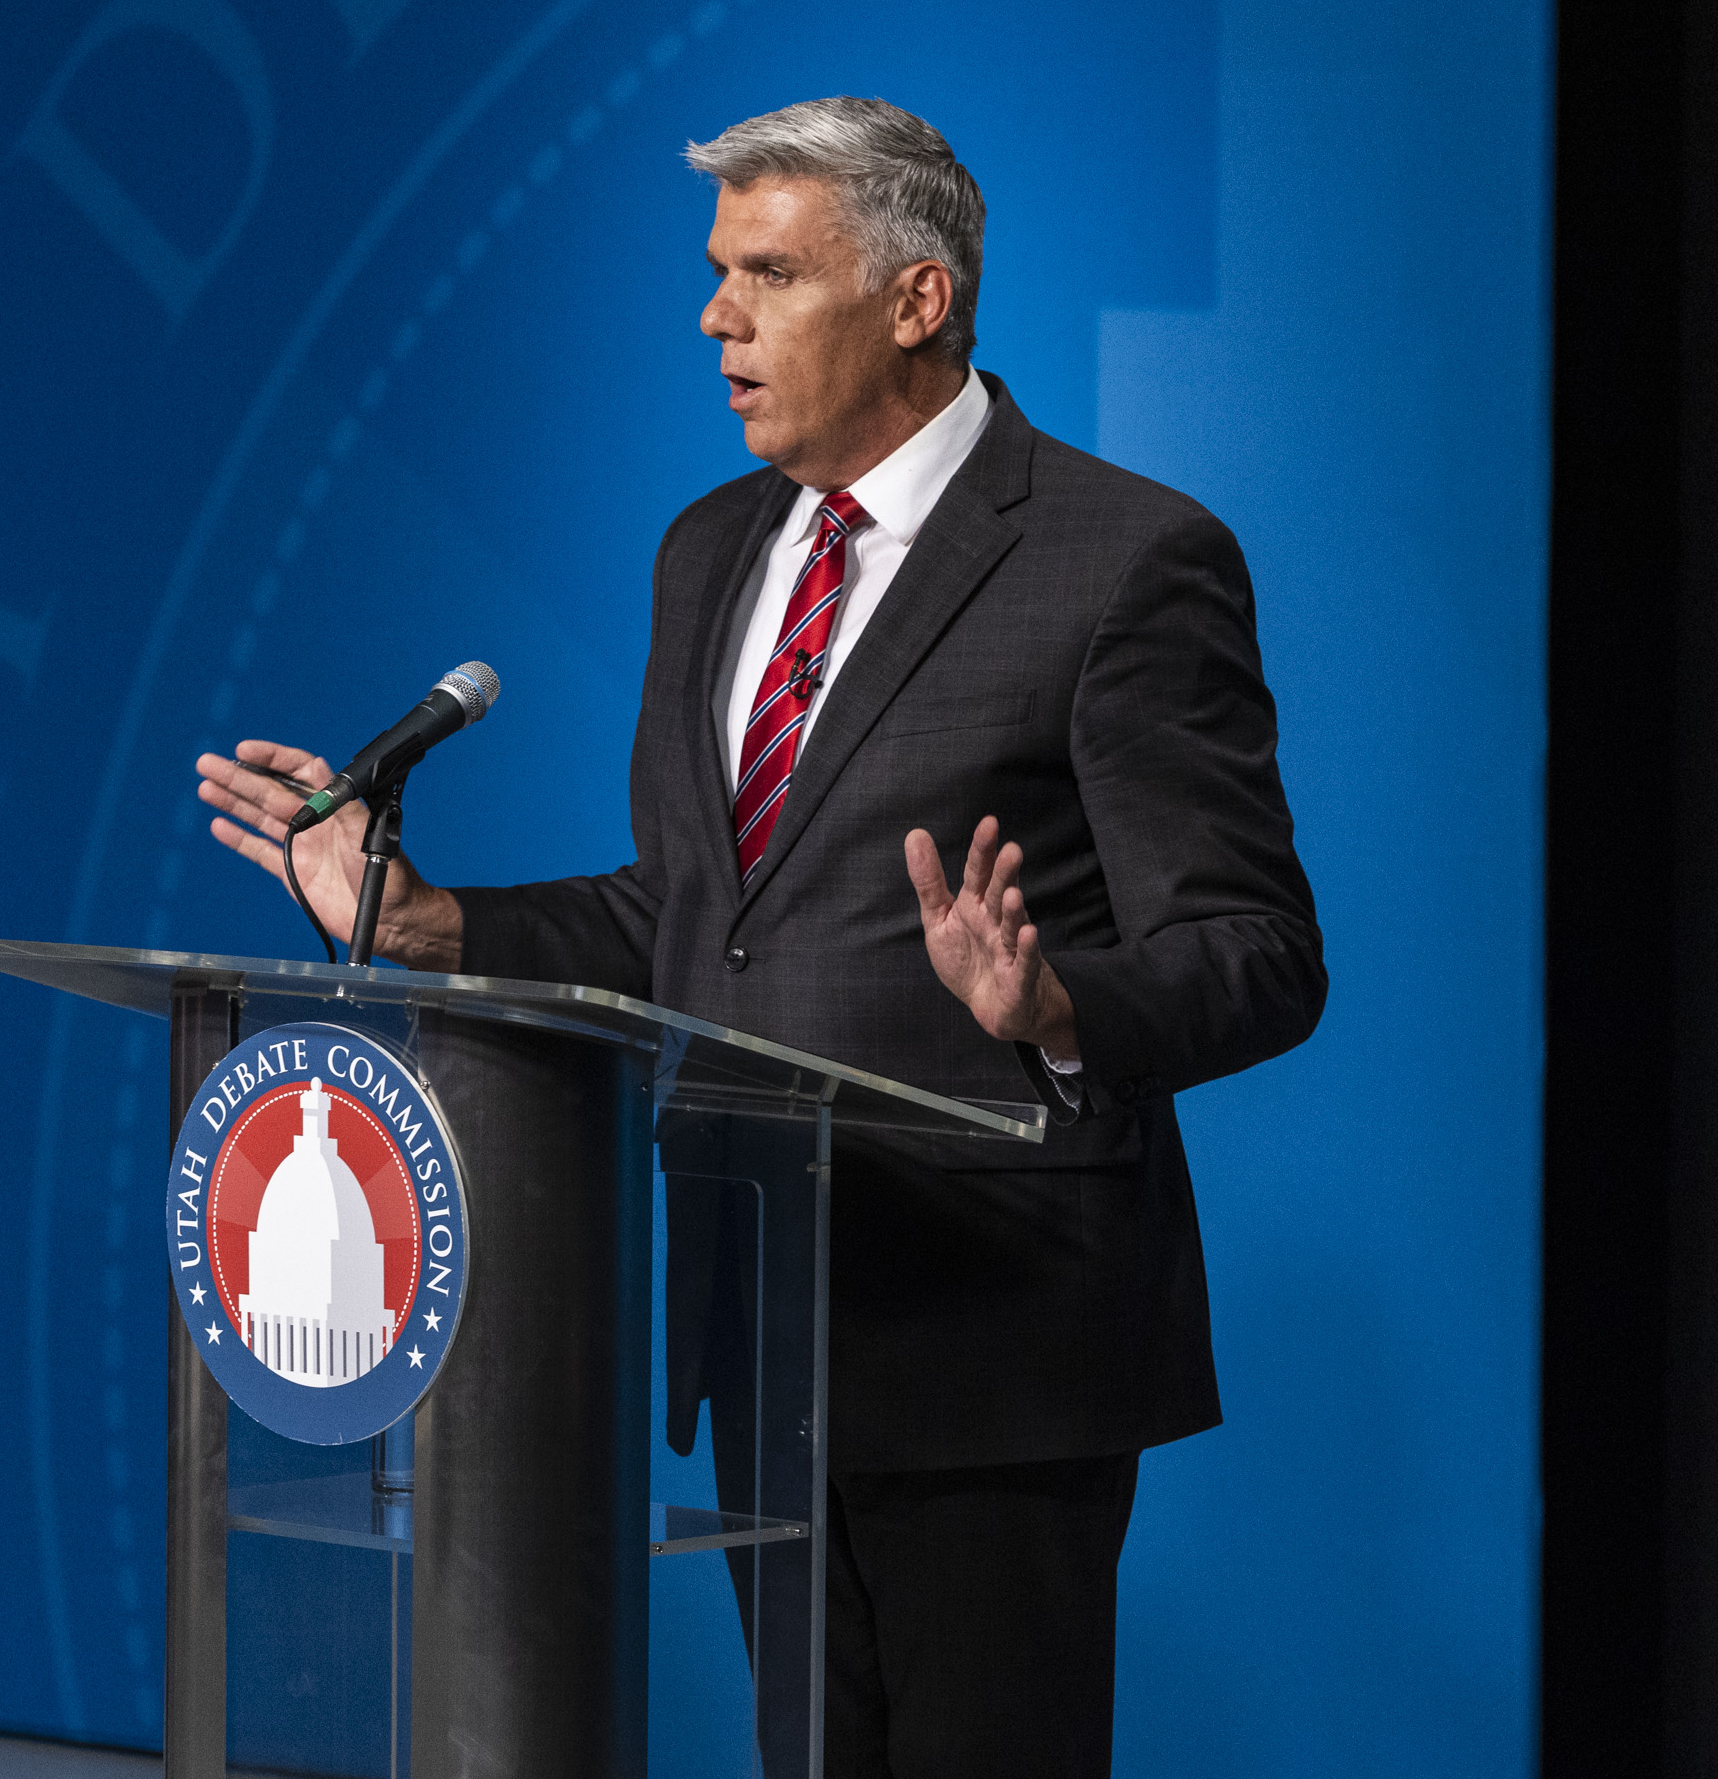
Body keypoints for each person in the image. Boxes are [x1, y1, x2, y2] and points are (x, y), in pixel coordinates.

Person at [195, 98, 1322, 1778]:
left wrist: (1059, 998)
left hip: (998, 1330)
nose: (716, 318)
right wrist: (424, 921)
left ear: (917, 300)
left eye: (770, 273)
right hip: (766, 1314)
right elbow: (690, 918)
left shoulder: (1124, 560)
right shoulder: (712, 552)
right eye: (719, 273)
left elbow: (1258, 949)